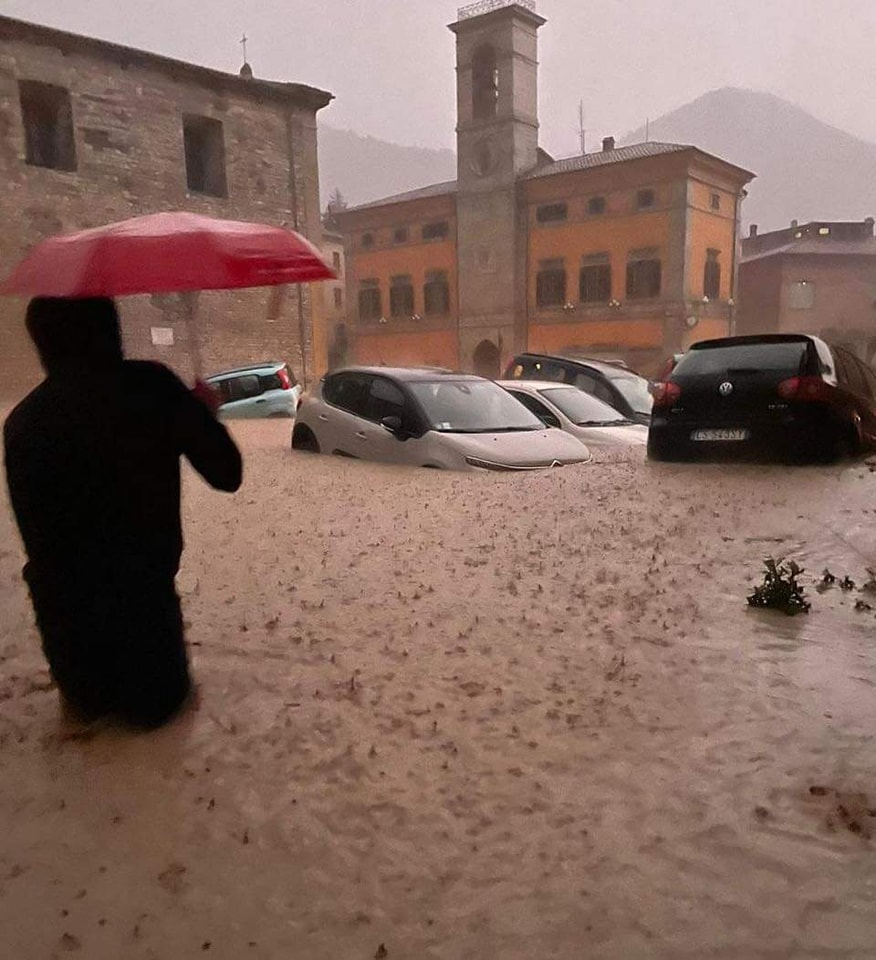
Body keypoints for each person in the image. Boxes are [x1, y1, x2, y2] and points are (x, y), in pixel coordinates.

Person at [3, 297, 243, 729]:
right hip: (151, 649)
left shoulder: (22, 423)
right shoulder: (153, 388)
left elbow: (40, 543)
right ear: (111, 330)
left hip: (72, 660)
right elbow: (227, 473)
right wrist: (202, 417)